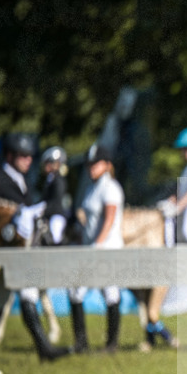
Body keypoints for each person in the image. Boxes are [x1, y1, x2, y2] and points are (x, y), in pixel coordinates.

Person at [0, 133, 68, 361]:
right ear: (10, 156)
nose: (28, 160)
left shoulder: (24, 180)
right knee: (26, 293)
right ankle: (44, 348)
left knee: (1, 299)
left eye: (30, 156)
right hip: (7, 244)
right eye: (23, 156)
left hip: (21, 246)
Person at [69, 143, 125, 353]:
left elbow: (109, 219)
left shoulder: (110, 188)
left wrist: (97, 244)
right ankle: (85, 343)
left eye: (96, 163)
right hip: (93, 246)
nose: (91, 167)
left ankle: (109, 344)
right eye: (89, 163)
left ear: (107, 165)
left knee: (105, 292)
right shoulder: (92, 187)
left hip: (105, 248)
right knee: (79, 291)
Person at [39, 146, 72, 246]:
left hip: (57, 213)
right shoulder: (50, 179)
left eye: (49, 163)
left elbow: (56, 200)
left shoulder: (58, 180)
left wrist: (44, 209)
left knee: (55, 232)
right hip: (50, 212)